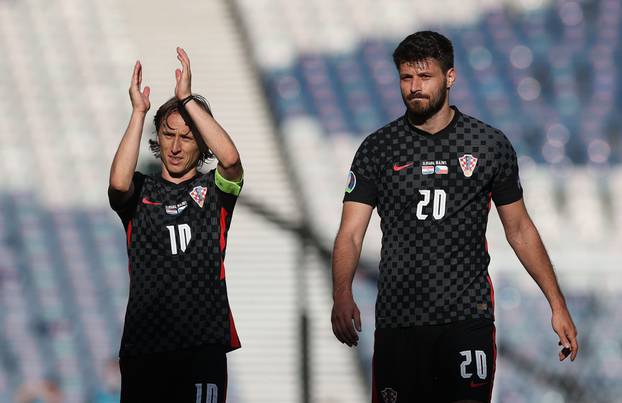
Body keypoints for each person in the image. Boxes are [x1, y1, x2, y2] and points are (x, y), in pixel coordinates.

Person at [330, 31, 578, 403]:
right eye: (406, 78)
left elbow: (521, 229)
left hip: (466, 318)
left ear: (450, 77)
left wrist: (556, 304)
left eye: (425, 76)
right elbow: (350, 233)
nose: (414, 87)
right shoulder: (377, 149)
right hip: (400, 321)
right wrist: (342, 293)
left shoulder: (487, 145)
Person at [108, 47, 243, 403]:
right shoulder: (141, 191)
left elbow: (230, 160)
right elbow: (118, 184)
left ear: (201, 144)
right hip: (145, 345)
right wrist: (139, 113)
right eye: (168, 135)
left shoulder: (215, 191)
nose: (176, 146)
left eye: (187, 136)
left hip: (203, 343)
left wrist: (187, 100)